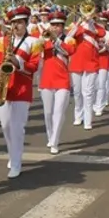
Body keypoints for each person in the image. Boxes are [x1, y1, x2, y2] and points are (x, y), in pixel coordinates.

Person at [0, 6, 41, 178]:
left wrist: (18, 61)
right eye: (13, 23)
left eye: (19, 22)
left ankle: (16, 162)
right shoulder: (2, 41)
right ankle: (13, 153)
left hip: (22, 89)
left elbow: (34, 67)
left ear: (26, 23)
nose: (16, 26)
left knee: (17, 127)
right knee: (6, 125)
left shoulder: (34, 42)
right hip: (4, 87)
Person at [38, 12, 77, 154]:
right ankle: (50, 136)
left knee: (58, 112)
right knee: (48, 113)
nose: (54, 28)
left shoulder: (69, 40)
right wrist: (41, 41)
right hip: (47, 80)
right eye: (53, 25)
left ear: (62, 26)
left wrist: (56, 41)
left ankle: (55, 141)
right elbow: (36, 52)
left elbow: (69, 52)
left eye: (58, 25)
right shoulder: (44, 39)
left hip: (63, 80)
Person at [68, 4, 105, 131]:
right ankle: (78, 116)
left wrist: (91, 21)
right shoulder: (76, 26)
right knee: (77, 93)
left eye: (89, 11)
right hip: (77, 63)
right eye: (85, 11)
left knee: (88, 93)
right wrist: (79, 21)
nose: (87, 14)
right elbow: (69, 37)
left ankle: (88, 120)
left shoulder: (96, 27)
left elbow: (101, 33)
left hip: (91, 63)